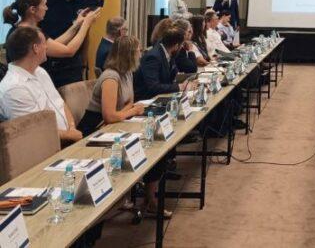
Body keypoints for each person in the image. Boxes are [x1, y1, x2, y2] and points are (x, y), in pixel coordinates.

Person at [78, 36, 172, 218]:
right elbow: (109, 115)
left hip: (116, 126)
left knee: (157, 150)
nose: (141, 53)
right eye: (138, 50)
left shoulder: (128, 73)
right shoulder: (111, 77)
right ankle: (129, 198)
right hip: (95, 131)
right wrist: (131, 111)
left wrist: (128, 110)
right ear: (128, 54)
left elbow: (128, 104)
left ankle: (149, 198)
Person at [0, 27, 83, 144]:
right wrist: (69, 135)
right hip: (46, 148)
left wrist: (72, 127)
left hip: (68, 138)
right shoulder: (14, 88)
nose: (47, 47)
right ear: (35, 48)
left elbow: (60, 103)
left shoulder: (40, 71)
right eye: (44, 43)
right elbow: (33, 129)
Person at [39, 0, 104, 87]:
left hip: (71, 66)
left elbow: (85, 35)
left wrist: (84, 63)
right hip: (45, 62)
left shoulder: (89, 1)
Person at [3, 0, 100, 63]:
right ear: (33, 9)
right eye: (44, 4)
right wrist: (86, 24)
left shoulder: (21, 29)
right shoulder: (28, 34)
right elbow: (69, 51)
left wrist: (77, 25)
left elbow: (51, 45)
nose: (46, 8)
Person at [133, 26, 196, 101]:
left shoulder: (168, 52)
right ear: (176, 46)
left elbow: (174, 75)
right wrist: (179, 87)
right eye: (181, 45)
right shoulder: (153, 57)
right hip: (147, 100)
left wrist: (187, 81)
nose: (182, 47)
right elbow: (153, 87)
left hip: (161, 96)